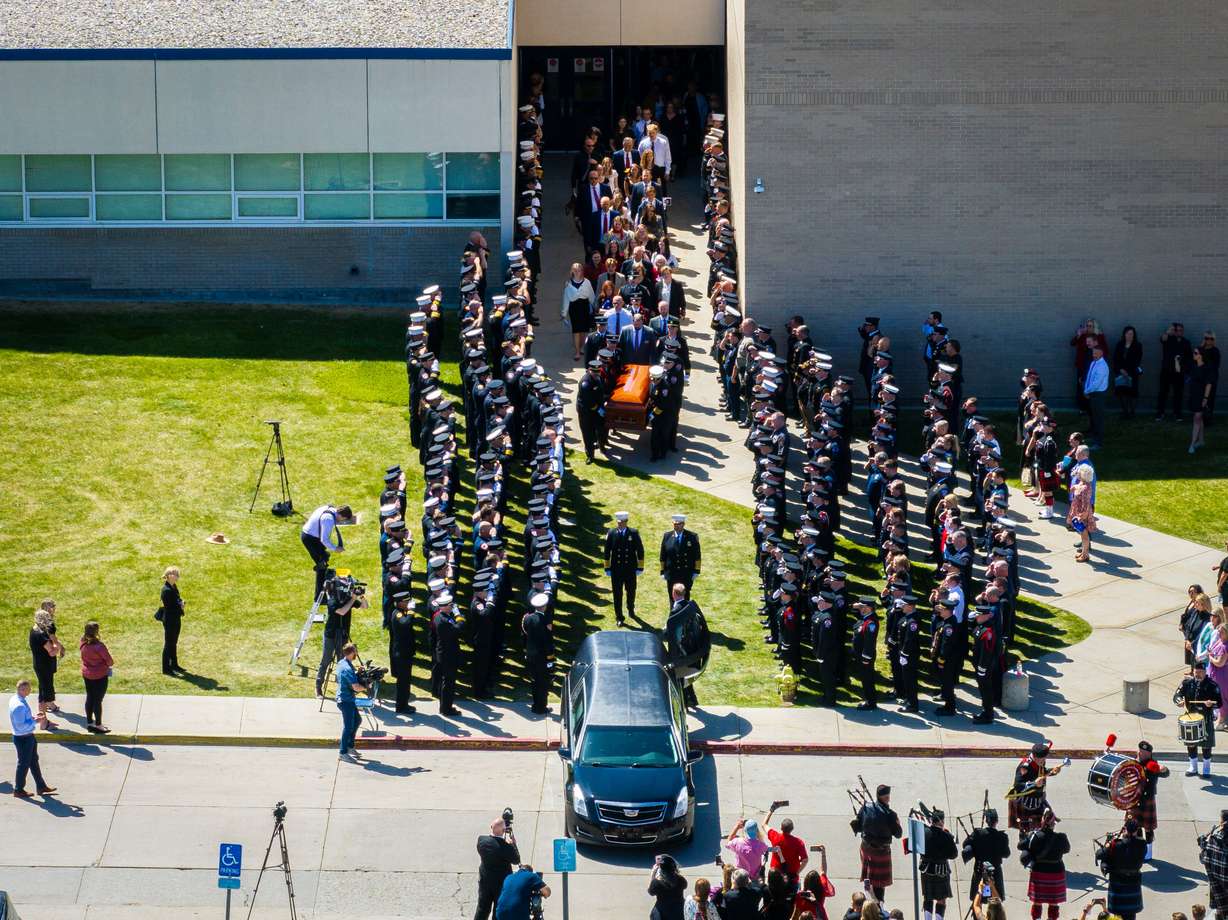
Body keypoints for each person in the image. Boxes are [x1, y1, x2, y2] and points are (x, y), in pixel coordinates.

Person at [315, 577, 369, 698]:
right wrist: (352, 600)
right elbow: (341, 611)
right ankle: (318, 687)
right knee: (326, 661)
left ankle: (341, 688)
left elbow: (365, 606)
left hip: (343, 635)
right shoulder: (332, 599)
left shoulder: (350, 599)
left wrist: (361, 596)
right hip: (331, 635)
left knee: (343, 662)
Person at [851, 783, 902, 903]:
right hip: (881, 851)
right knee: (879, 884)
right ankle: (879, 907)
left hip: (866, 848)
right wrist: (897, 823)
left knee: (869, 879)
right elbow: (898, 834)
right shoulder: (890, 814)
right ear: (886, 797)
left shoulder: (865, 807)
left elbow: (857, 825)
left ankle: (870, 901)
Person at [9, 679, 56, 799]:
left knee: (33, 761)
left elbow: (23, 720)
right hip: (23, 738)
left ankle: (41, 786)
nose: (30, 690)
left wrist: (34, 718)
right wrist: (36, 721)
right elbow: (21, 725)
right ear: (22, 689)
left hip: (27, 736)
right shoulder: (19, 705)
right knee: (23, 764)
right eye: (28, 689)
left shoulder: (17, 699)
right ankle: (18, 790)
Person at [1021, 808, 1068, 920]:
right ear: (1053, 824)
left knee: (1037, 902)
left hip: (1039, 871)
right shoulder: (1061, 837)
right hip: (1056, 872)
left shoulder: (1035, 836)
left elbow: (1028, 849)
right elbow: (1066, 849)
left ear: (1042, 821)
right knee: (1053, 903)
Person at [301, 503, 355, 603]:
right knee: (322, 566)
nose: (342, 521)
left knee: (325, 557)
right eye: (343, 519)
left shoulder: (329, 508)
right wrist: (335, 549)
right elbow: (324, 540)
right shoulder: (328, 519)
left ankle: (321, 566)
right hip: (310, 539)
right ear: (341, 515)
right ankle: (319, 598)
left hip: (312, 536)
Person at [1096, 820, 1147, 920]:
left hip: (1117, 883)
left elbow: (1099, 854)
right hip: (1133, 882)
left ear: (1125, 829)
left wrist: (1108, 844)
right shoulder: (1142, 844)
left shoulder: (1116, 844)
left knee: (1118, 916)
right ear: (1137, 830)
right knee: (1131, 915)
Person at [1178, 661, 1222, 777]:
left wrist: (1211, 704)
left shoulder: (1212, 685)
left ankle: (1206, 768)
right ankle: (1193, 767)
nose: (1198, 674)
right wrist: (1180, 702)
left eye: (1201, 672)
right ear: (1193, 672)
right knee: (1191, 743)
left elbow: (1220, 703)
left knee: (1206, 745)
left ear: (1205, 672)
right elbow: (1177, 695)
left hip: (1205, 718)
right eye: (1196, 672)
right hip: (1190, 717)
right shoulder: (1187, 683)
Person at [475, 815, 520, 920]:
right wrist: (513, 844)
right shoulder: (505, 847)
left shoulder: (481, 841)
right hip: (500, 884)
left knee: (482, 908)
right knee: (498, 910)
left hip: (485, 881)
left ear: (491, 827)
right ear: (504, 830)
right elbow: (516, 860)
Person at [605, 510, 645, 625]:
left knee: (631, 591)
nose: (620, 524)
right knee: (617, 594)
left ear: (626, 522)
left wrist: (640, 567)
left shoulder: (633, 533)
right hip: (616, 570)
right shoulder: (612, 533)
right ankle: (619, 617)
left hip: (630, 569)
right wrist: (607, 568)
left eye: (622, 522)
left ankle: (630, 609)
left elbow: (640, 550)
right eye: (618, 522)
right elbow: (607, 551)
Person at [962, 808, 1010, 901]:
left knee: (978, 899)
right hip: (995, 872)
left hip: (980, 871)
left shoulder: (977, 834)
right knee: (994, 900)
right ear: (996, 821)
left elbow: (965, 844)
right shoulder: (1002, 837)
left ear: (986, 820)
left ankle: (978, 914)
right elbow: (1006, 854)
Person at [29, 602, 64, 727]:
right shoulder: (41, 635)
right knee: (43, 695)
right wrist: (57, 647)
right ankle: (43, 723)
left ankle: (44, 720)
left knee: (42, 691)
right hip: (44, 666)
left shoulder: (34, 630)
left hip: (40, 665)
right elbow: (52, 652)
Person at [920, 809, 957, 920]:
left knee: (928, 898)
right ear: (941, 821)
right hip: (941, 870)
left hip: (926, 870)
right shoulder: (947, 836)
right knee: (941, 899)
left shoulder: (923, 833)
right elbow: (954, 855)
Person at [79, 621, 113, 734]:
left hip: (87, 674)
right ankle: (98, 725)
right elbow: (110, 661)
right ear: (97, 632)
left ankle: (89, 723)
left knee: (90, 697)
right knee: (98, 700)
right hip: (99, 675)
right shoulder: (99, 646)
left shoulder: (83, 642)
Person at [335, 642, 367, 761]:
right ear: (352, 652)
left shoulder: (343, 662)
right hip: (345, 700)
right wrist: (367, 686)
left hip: (347, 698)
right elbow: (356, 687)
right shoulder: (347, 668)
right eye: (356, 652)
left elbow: (348, 678)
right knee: (348, 727)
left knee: (357, 720)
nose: (356, 654)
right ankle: (343, 753)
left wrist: (357, 673)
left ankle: (350, 746)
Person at [660, 514, 701, 603]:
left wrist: (696, 571)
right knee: (672, 597)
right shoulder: (667, 536)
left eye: (679, 524)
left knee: (685, 597)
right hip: (672, 574)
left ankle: (684, 616)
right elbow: (663, 556)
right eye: (675, 524)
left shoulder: (692, 537)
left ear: (683, 524)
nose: (677, 526)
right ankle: (673, 615)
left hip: (686, 573)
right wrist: (662, 571)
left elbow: (697, 555)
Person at [523, 593, 553, 714]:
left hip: (531, 654)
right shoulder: (546, 620)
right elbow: (548, 641)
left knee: (534, 681)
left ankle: (536, 705)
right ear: (544, 606)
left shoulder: (528, 618)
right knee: (543, 683)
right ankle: (541, 707)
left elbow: (525, 634)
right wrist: (550, 659)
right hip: (542, 656)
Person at [1157, 322, 1194, 421]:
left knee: (1178, 393)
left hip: (1179, 372)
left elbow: (1190, 357)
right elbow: (1162, 338)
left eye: (1181, 330)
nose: (1179, 332)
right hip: (1166, 370)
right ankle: (1160, 413)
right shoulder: (1168, 339)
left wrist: (1184, 365)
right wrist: (1168, 332)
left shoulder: (1186, 342)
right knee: (1163, 392)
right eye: (1177, 330)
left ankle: (1177, 414)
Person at [561, 262, 596, 362]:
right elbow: (566, 299)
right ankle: (577, 351)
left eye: (579, 270)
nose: (577, 272)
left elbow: (591, 296)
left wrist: (595, 307)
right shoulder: (568, 284)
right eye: (575, 270)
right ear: (572, 271)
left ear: (582, 271)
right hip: (574, 308)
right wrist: (564, 313)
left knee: (584, 330)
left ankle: (581, 347)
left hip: (584, 306)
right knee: (576, 330)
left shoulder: (587, 282)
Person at [1198, 809, 1228, 920]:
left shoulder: (1214, 839)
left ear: (1222, 822)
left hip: (1219, 893)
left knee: (1219, 913)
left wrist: (1205, 841)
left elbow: (1203, 859)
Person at [764, 815, 808, 887]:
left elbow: (764, 824)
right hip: (791, 877)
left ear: (781, 828)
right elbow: (805, 860)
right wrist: (796, 873)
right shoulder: (798, 842)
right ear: (792, 829)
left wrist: (771, 810)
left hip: (775, 875)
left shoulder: (775, 837)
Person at [1189, 346, 1217, 453]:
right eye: (1194, 352)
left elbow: (1208, 384)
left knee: (1197, 418)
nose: (1194, 354)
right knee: (1199, 418)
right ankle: (1201, 441)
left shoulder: (1207, 368)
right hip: (1194, 396)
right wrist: (1175, 360)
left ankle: (1192, 444)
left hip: (1202, 397)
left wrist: (1205, 398)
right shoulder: (1193, 366)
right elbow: (1178, 370)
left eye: (1195, 353)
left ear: (1201, 355)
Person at [159, 565, 185, 675]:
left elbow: (177, 598)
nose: (177, 576)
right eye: (175, 574)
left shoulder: (173, 587)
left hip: (175, 619)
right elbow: (170, 607)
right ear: (168, 575)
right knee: (168, 644)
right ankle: (166, 668)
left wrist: (180, 602)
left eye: (177, 574)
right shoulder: (166, 590)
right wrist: (180, 606)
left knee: (173, 643)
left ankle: (174, 664)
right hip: (170, 620)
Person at [1112, 325, 1142, 419]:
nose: (1130, 335)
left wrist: (1128, 371)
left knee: (1132, 393)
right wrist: (1120, 369)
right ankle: (1125, 412)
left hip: (1132, 373)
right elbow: (1115, 359)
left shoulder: (1138, 345)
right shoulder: (1119, 344)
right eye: (1128, 333)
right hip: (1121, 372)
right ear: (1124, 334)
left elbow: (1138, 360)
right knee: (1122, 392)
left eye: (1132, 334)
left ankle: (1132, 412)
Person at [1068, 465, 1096, 563]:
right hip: (1077, 512)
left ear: (1084, 474)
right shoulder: (1082, 483)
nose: (1077, 473)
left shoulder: (1085, 488)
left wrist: (1081, 516)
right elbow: (1077, 487)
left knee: (1084, 535)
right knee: (1081, 534)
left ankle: (1085, 555)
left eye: (1079, 472)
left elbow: (1086, 504)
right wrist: (1074, 487)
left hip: (1082, 515)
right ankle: (1083, 552)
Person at [1083, 343, 1109, 448]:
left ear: (1101, 353)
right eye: (1093, 353)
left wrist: (1087, 391)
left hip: (1098, 394)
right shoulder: (1094, 363)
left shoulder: (1102, 366)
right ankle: (1094, 437)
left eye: (1096, 353)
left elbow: (1096, 383)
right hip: (1093, 394)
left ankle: (1098, 442)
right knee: (1094, 417)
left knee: (1098, 419)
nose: (1094, 355)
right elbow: (1090, 378)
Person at [649, 854, 688, 920]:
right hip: (679, 912)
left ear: (661, 869)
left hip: (663, 913)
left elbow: (651, 892)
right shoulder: (680, 879)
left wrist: (653, 875)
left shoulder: (657, 882)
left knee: (653, 915)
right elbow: (685, 885)